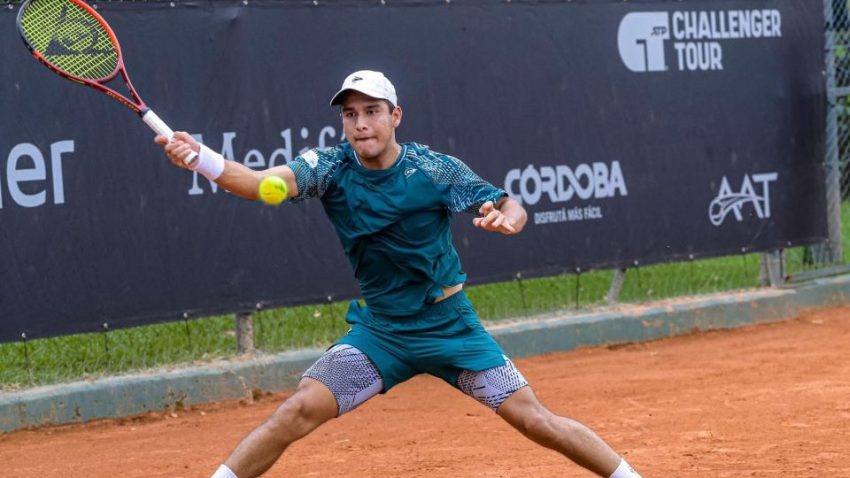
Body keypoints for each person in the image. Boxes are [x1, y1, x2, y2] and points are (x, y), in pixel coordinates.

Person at [156, 70, 642, 478]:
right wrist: (201, 158)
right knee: (298, 409)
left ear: (395, 116)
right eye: (350, 114)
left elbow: (506, 203)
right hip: (382, 333)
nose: (361, 124)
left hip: (450, 328)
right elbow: (264, 188)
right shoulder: (327, 168)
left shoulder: (433, 169)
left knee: (536, 422)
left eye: (372, 111)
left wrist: (508, 218)